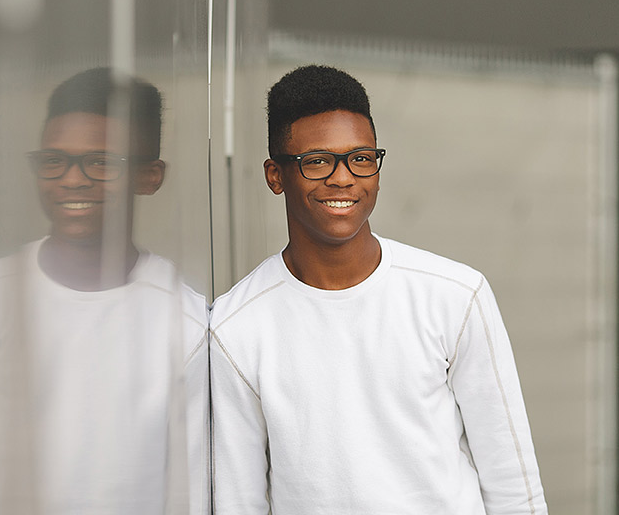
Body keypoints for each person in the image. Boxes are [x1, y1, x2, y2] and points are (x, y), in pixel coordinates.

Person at [210, 65, 548, 514]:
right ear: (275, 176)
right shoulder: (236, 327)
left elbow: (513, 484)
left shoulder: (455, 295)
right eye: (317, 161)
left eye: (361, 158)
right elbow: (238, 501)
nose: (343, 177)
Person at [0, 68, 209, 515]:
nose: (72, 180)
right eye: (53, 160)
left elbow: (190, 492)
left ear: (148, 177)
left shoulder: (187, 317)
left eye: (101, 161)